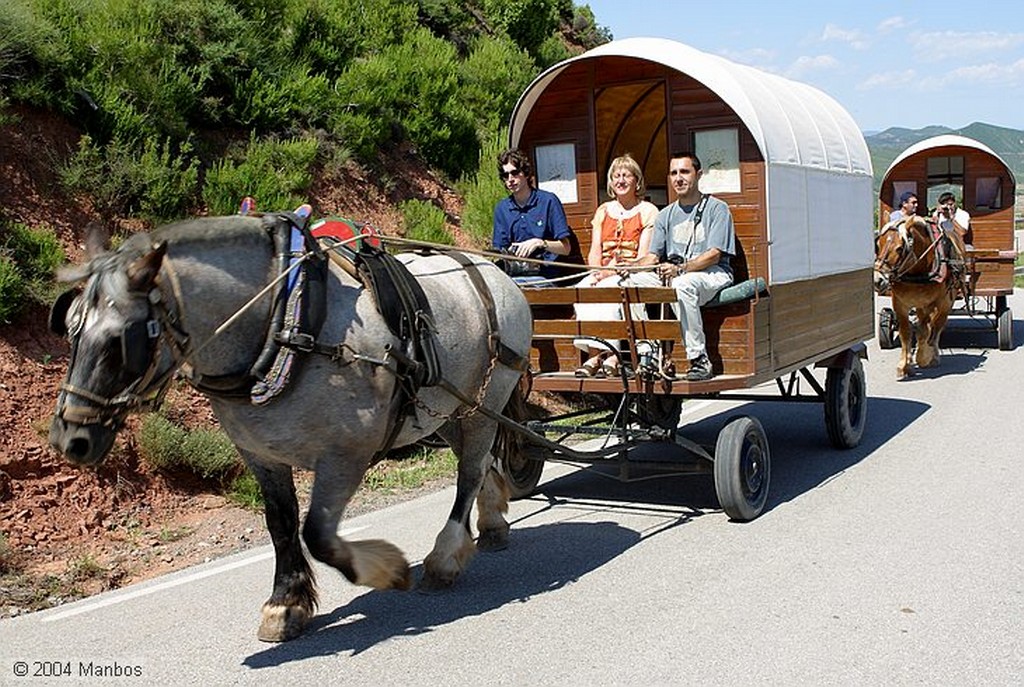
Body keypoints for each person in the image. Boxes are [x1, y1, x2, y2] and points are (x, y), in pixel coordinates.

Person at [632, 152, 735, 382]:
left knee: (681, 285)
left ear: (698, 175)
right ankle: (647, 354)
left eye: (684, 172)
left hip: (713, 273)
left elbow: (714, 255)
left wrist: (680, 269)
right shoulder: (665, 214)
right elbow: (652, 256)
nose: (678, 178)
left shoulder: (718, 209)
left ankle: (699, 359)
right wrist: (629, 268)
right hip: (676, 274)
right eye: (673, 173)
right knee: (630, 283)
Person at [572, 154, 659, 377]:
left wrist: (608, 273)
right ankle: (594, 355)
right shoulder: (603, 210)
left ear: (636, 181)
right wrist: (596, 271)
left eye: (625, 176)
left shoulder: (648, 211)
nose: (620, 180)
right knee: (582, 289)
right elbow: (595, 249)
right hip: (604, 271)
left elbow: (643, 257)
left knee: (608, 289)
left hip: (633, 271)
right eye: (615, 176)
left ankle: (612, 356)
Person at [492, 148, 572, 284]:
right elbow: (498, 252)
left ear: (526, 174)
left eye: (515, 173)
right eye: (506, 176)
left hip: (546, 277)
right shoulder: (502, 209)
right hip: (514, 276)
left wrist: (539, 243)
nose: (510, 179)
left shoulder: (548, 201)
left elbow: (566, 248)